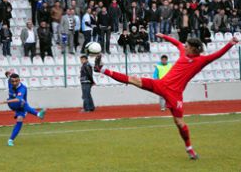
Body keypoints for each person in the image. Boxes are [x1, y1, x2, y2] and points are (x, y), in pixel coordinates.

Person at [94, 33, 239, 159]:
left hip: (175, 95)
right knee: (134, 80)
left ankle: (189, 148)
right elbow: (177, 43)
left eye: (187, 46)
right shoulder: (183, 52)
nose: (185, 47)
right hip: (161, 85)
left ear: (194, 49)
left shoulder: (200, 61)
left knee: (179, 123)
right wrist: (164, 37)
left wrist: (230, 44)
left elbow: (217, 55)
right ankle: (101, 69)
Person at [0, 72, 46, 146]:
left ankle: (10, 140)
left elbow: (18, 99)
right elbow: (7, 74)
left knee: (20, 119)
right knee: (23, 102)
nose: (14, 83)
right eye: (12, 81)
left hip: (20, 106)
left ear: (19, 80)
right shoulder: (10, 80)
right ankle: (38, 114)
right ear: (10, 81)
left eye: (16, 81)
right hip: (12, 104)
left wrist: (2, 102)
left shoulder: (22, 88)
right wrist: (8, 73)